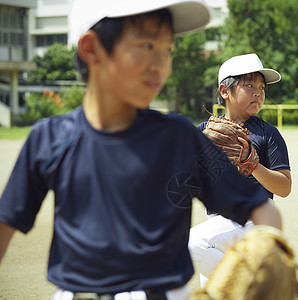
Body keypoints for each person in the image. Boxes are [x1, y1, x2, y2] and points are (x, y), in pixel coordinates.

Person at [0, 2, 282, 299]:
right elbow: (6, 222)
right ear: (92, 49)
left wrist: (269, 249)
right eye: (146, 45)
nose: (161, 63)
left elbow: (259, 208)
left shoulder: (180, 138)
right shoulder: (50, 139)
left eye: (167, 50)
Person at [189, 53, 292, 287]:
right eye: (249, 85)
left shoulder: (268, 134)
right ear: (225, 91)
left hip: (252, 220)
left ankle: (248, 285)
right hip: (217, 223)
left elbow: (284, 187)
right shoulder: (205, 131)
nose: (258, 92)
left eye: (262, 87)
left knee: (194, 244)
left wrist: (254, 165)